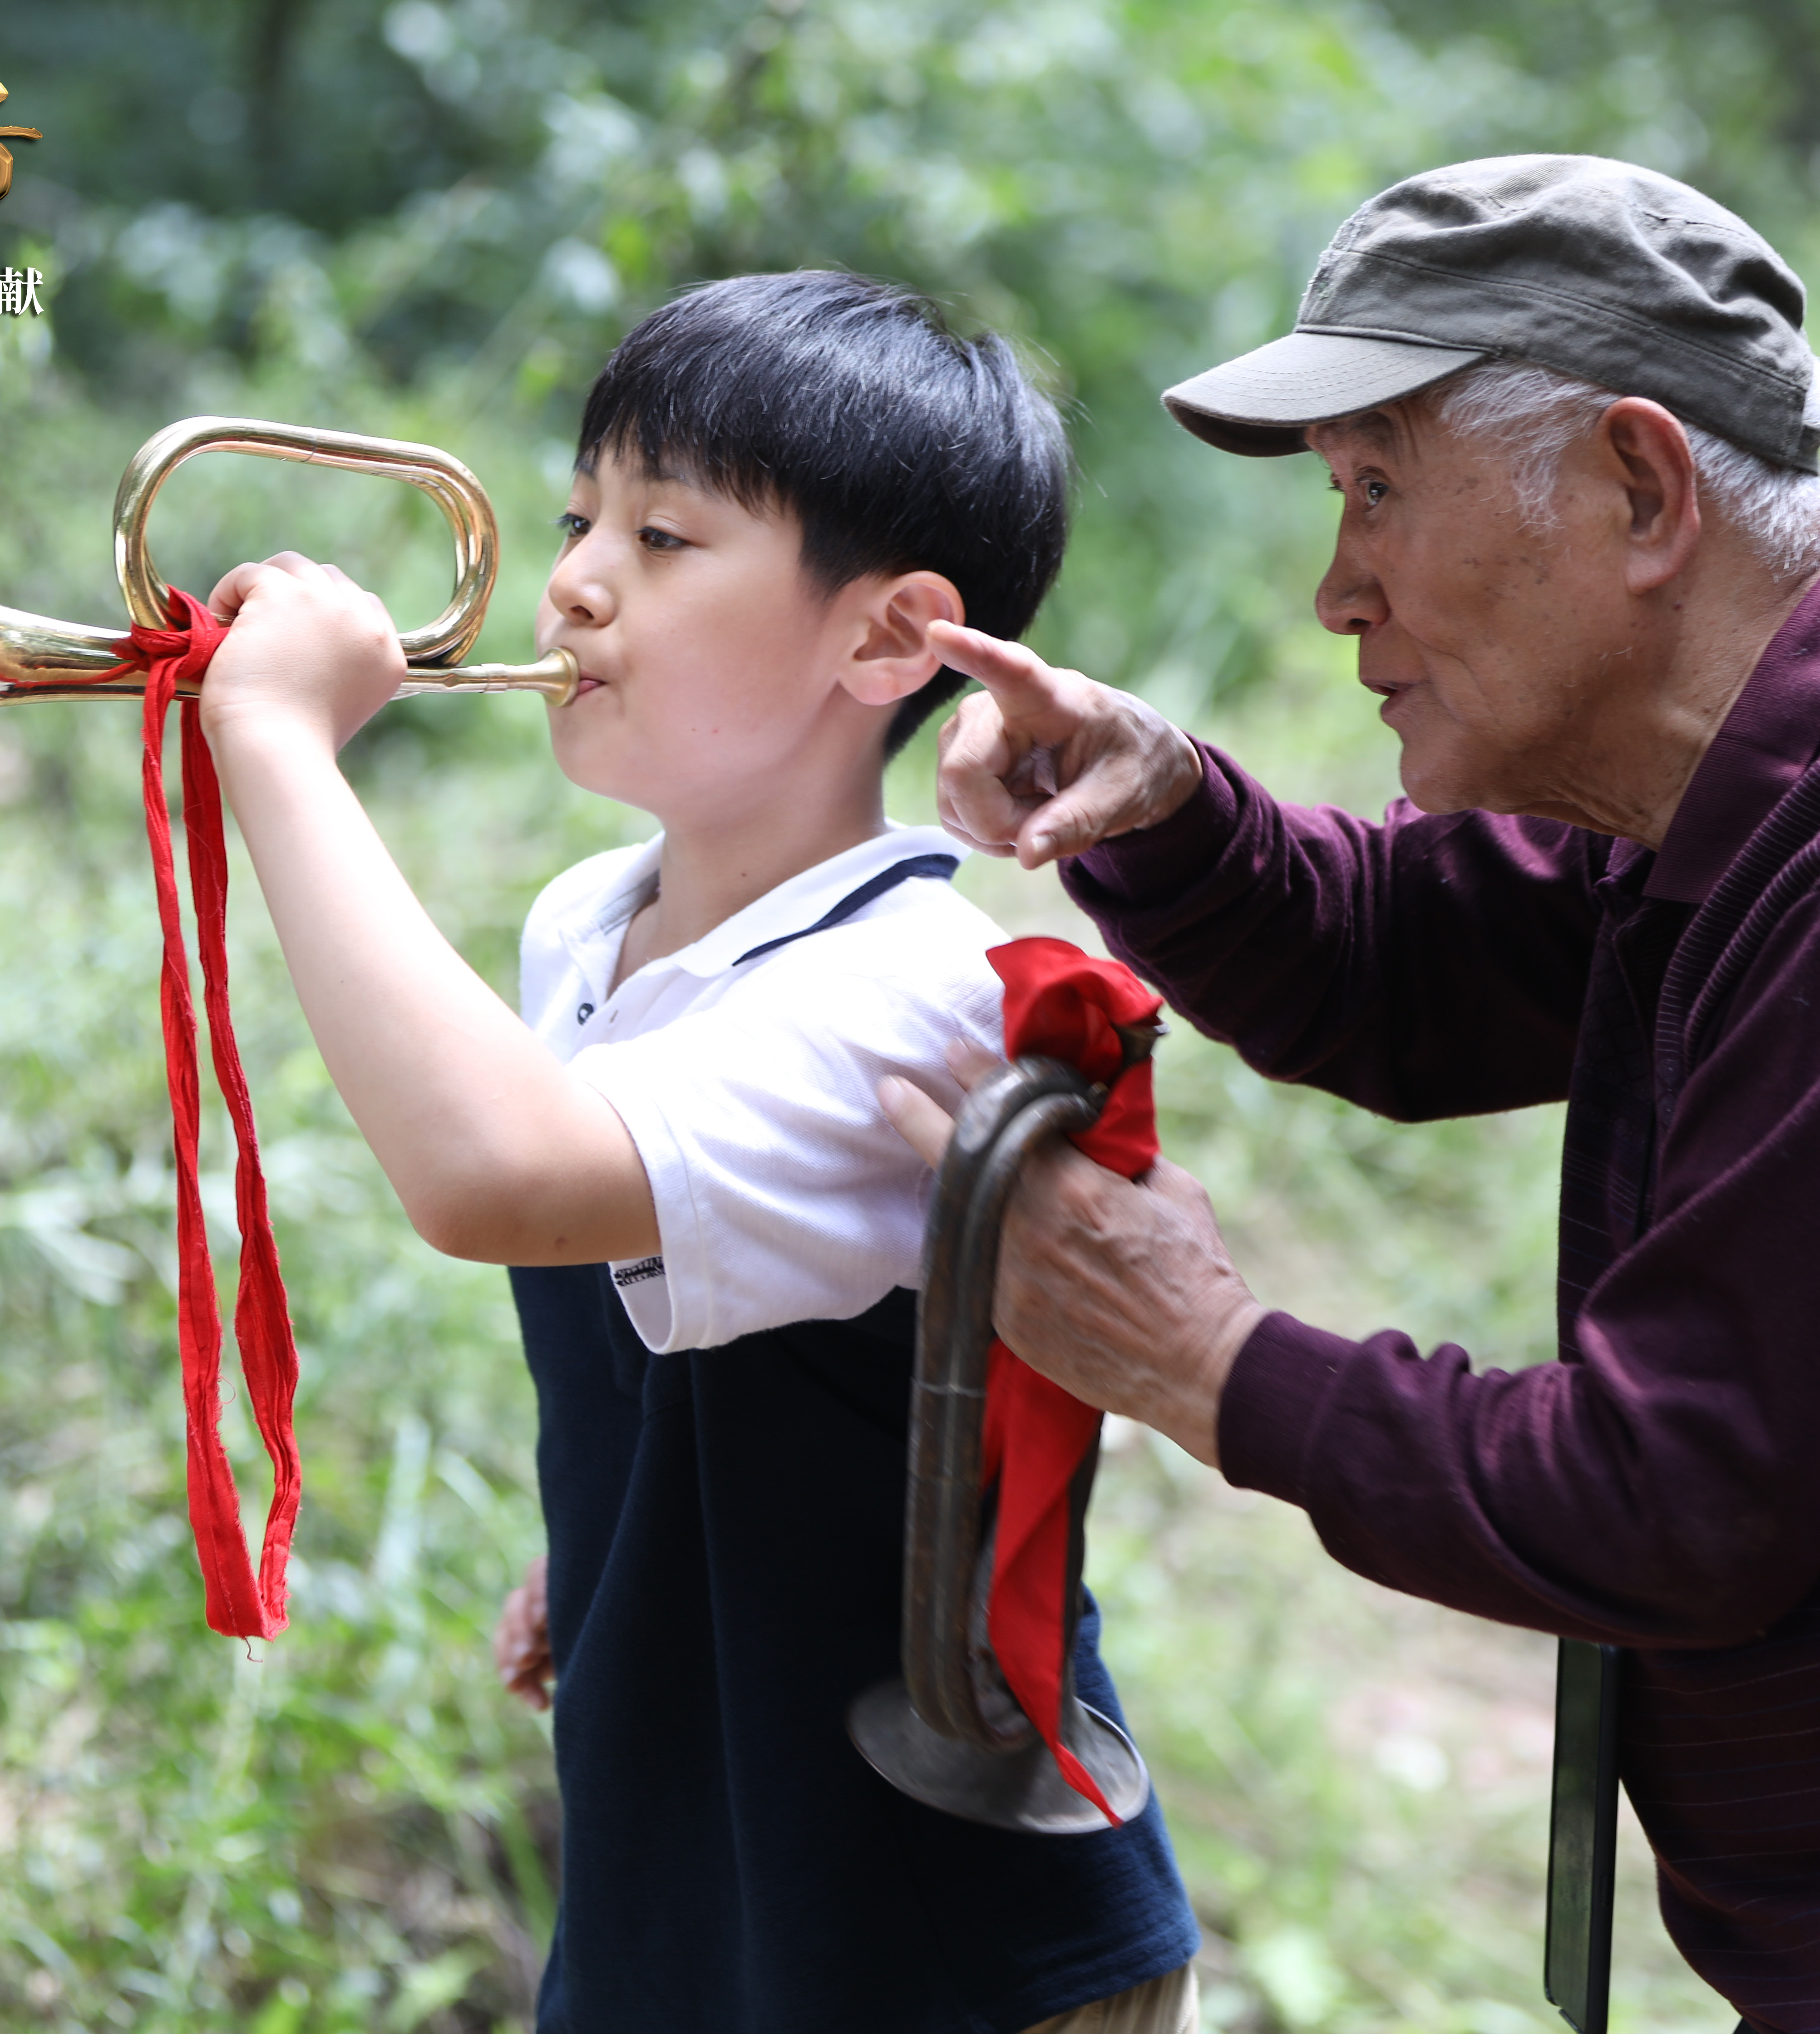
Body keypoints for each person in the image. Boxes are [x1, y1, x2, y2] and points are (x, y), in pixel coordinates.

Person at [886, 156, 1820, 2031]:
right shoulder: (1753, 787)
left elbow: (1673, 1496)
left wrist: (1210, 1359)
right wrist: (1165, 803)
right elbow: (1400, 970)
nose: (1335, 589)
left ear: (1641, 490)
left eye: (1381, 490)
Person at [195, 271, 1202, 2034]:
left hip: (940, 1940)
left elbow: (494, 1176)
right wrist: (622, 1538)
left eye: (663, 538)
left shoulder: (913, 990)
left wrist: (277, 743)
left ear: (886, 642)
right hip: (702, 1871)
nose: (576, 580)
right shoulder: (592, 921)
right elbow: (725, 1332)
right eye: (580, 518)